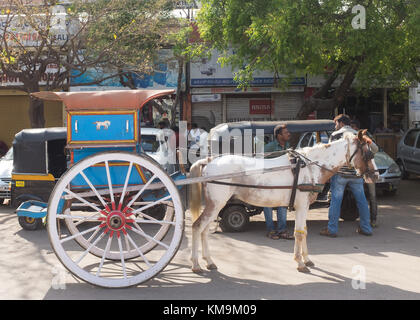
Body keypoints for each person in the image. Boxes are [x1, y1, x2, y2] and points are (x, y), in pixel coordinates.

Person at [320, 114, 377, 238]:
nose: (335, 126)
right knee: (361, 200)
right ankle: (366, 228)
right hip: (356, 174)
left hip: (340, 174)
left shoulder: (335, 135)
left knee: (335, 201)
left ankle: (332, 229)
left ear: (340, 123)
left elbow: (331, 155)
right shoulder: (358, 135)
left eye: (336, 123)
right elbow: (374, 149)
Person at [263, 124, 294, 240]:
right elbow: (261, 162)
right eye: (286, 132)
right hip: (269, 181)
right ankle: (270, 230)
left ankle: (282, 230)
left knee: (282, 205)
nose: (288, 134)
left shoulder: (287, 146)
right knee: (268, 205)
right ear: (279, 135)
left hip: (283, 181)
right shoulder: (270, 147)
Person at [349, 119, 378, 227]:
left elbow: (375, 149)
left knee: (372, 196)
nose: (352, 130)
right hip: (357, 172)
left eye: (353, 128)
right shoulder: (352, 142)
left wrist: (366, 141)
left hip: (368, 172)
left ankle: (373, 220)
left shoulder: (365, 141)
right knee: (360, 195)